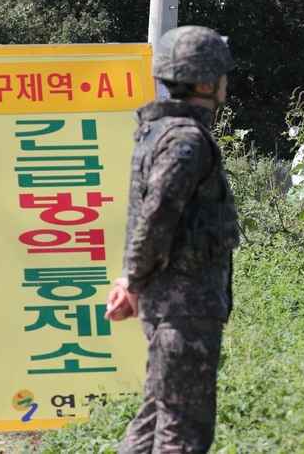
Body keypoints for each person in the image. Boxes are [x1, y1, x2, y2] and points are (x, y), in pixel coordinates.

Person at [105, 25, 240, 453]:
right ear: (206, 82)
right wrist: (133, 281)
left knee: (154, 421)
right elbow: (157, 217)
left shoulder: (160, 132)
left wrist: (133, 279)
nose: (225, 83)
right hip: (185, 311)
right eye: (222, 74)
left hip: (175, 309)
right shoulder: (185, 139)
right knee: (183, 431)